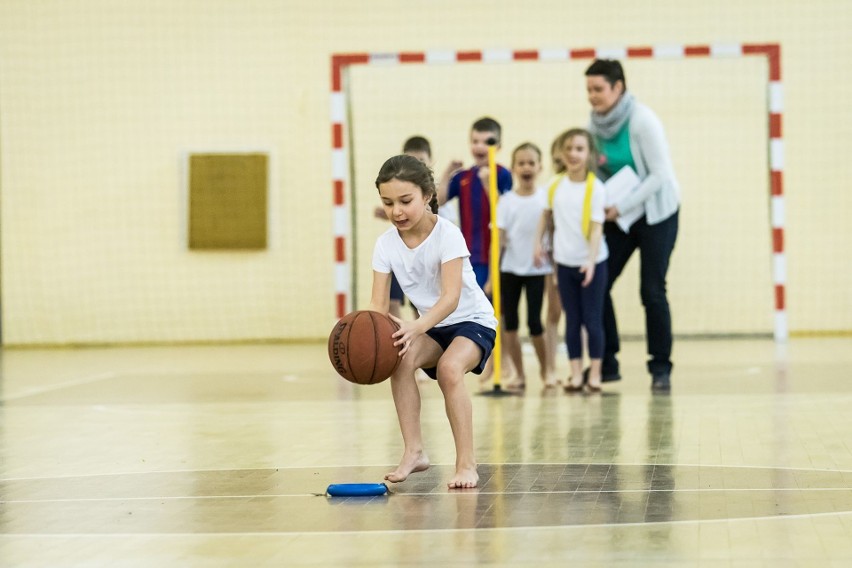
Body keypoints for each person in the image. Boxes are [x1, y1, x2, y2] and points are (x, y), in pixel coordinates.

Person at [368, 154, 497, 489]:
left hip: (472, 321)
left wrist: (417, 326)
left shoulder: (447, 234)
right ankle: (415, 451)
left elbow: (451, 298)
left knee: (450, 369)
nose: (396, 211)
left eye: (405, 201)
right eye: (388, 203)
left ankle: (467, 464)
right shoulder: (384, 245)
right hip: (433, 326)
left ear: (427, 196)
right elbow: (377, 307)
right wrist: (364, 337)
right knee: (400, 359)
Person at [585, 59, 680, 392]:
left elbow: (660, 176)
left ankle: (660, 368)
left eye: (598, 89)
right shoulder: (593, 124)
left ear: (618, 88)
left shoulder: (642, 121)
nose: (592, 96)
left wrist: (621, 206)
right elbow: (597, 171)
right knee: (598, 281)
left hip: (656, 213)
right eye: (589, 90)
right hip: (619, 215)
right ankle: (607, 363)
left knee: (652, 290)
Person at [535, 129, 608, 393]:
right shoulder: (554, 186)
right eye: (569, 149)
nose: (574, 154)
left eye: (580, 149)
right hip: (564, 263)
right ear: (562, 153)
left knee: (593, 319)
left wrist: (590, 261)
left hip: (593, 262)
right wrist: (537, 246)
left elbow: (597, 227)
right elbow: (544, 217)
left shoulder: (596, 188)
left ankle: (596, 373)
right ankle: (576, 373)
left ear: (589, 154)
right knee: (573, 319)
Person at [497, 143, 554, 390]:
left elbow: (552, 229)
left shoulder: (545, 199)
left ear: (540, 167)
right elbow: (499, 237)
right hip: (510, 269)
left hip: (537, 270)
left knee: (534, 322)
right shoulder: (507, 201)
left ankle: (546, 370)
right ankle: (519, 374)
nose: (526, 167)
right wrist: (493, 273)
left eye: (531, 162)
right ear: (513, 169)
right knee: (510, 323)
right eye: (521, 163)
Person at [437, 117, 513, 294]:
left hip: (495, 253)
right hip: (469, 252)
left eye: (487, 142)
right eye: (475, 141)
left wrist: (488, 185)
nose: (480, 146)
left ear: (498, 146)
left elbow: (504, 211)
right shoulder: (464, 176)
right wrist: (448, 171)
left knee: (494, 304)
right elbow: (438, 201)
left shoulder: (502, 174)